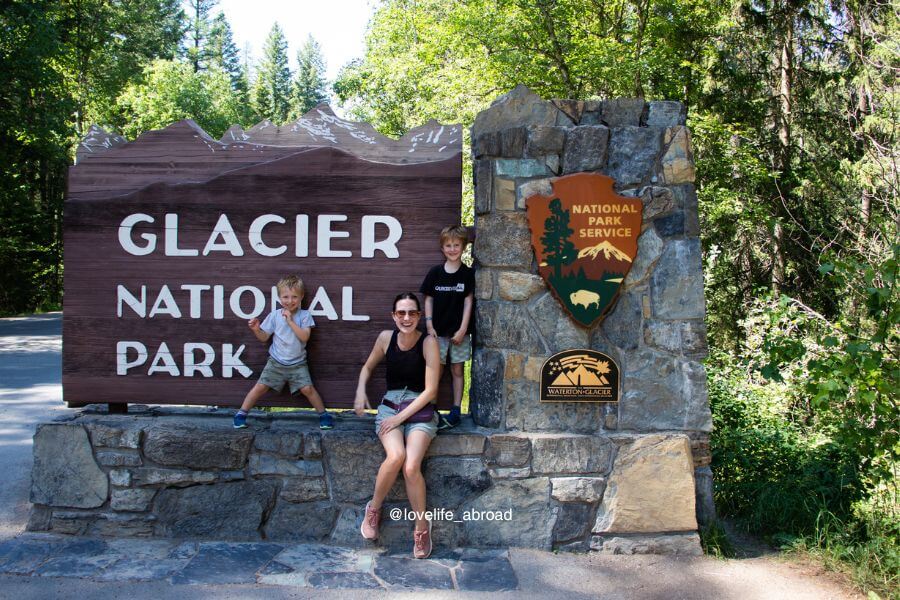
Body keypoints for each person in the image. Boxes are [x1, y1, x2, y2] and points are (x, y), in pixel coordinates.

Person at [354, 292, 440, 559]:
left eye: (412, 313)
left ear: (418, 316)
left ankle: (422, 527)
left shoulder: (429, 343)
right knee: (396, 456)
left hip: (419, 409)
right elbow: (367, 368)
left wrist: (400, 419)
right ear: (393, 316)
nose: (406, 318)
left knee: (411, 465)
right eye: (401, 313)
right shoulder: (385, 338)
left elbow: (431, 391)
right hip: (390, 406)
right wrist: (360, 390)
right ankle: (374, 509)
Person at [233, 274, 333, 430]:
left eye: (294, 297)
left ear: (301, 297)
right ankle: (241, 413)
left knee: (308, 389)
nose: (290, 301)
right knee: (260, 386)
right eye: (286, 297)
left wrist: (290, 321)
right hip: (276, 362)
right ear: (279, 298)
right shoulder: (274, 316)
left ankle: (324, 415)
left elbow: (304, 337)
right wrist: (255, 329)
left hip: (298, 363)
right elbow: (264, 336)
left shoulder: (305, 316)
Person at [420, 225, 475, 429]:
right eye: (448, 245)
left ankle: (455, 410)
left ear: (464, 247)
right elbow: (428, 299)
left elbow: (469, 302)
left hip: (459, 333)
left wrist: (462, 329)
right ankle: (431, 407)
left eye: (456, 245)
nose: (452, 249)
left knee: (457, 369)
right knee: (437, 369)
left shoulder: (467, 274)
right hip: (437, 332)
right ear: (442, 248)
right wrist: (429, 324)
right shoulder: (435, 273)